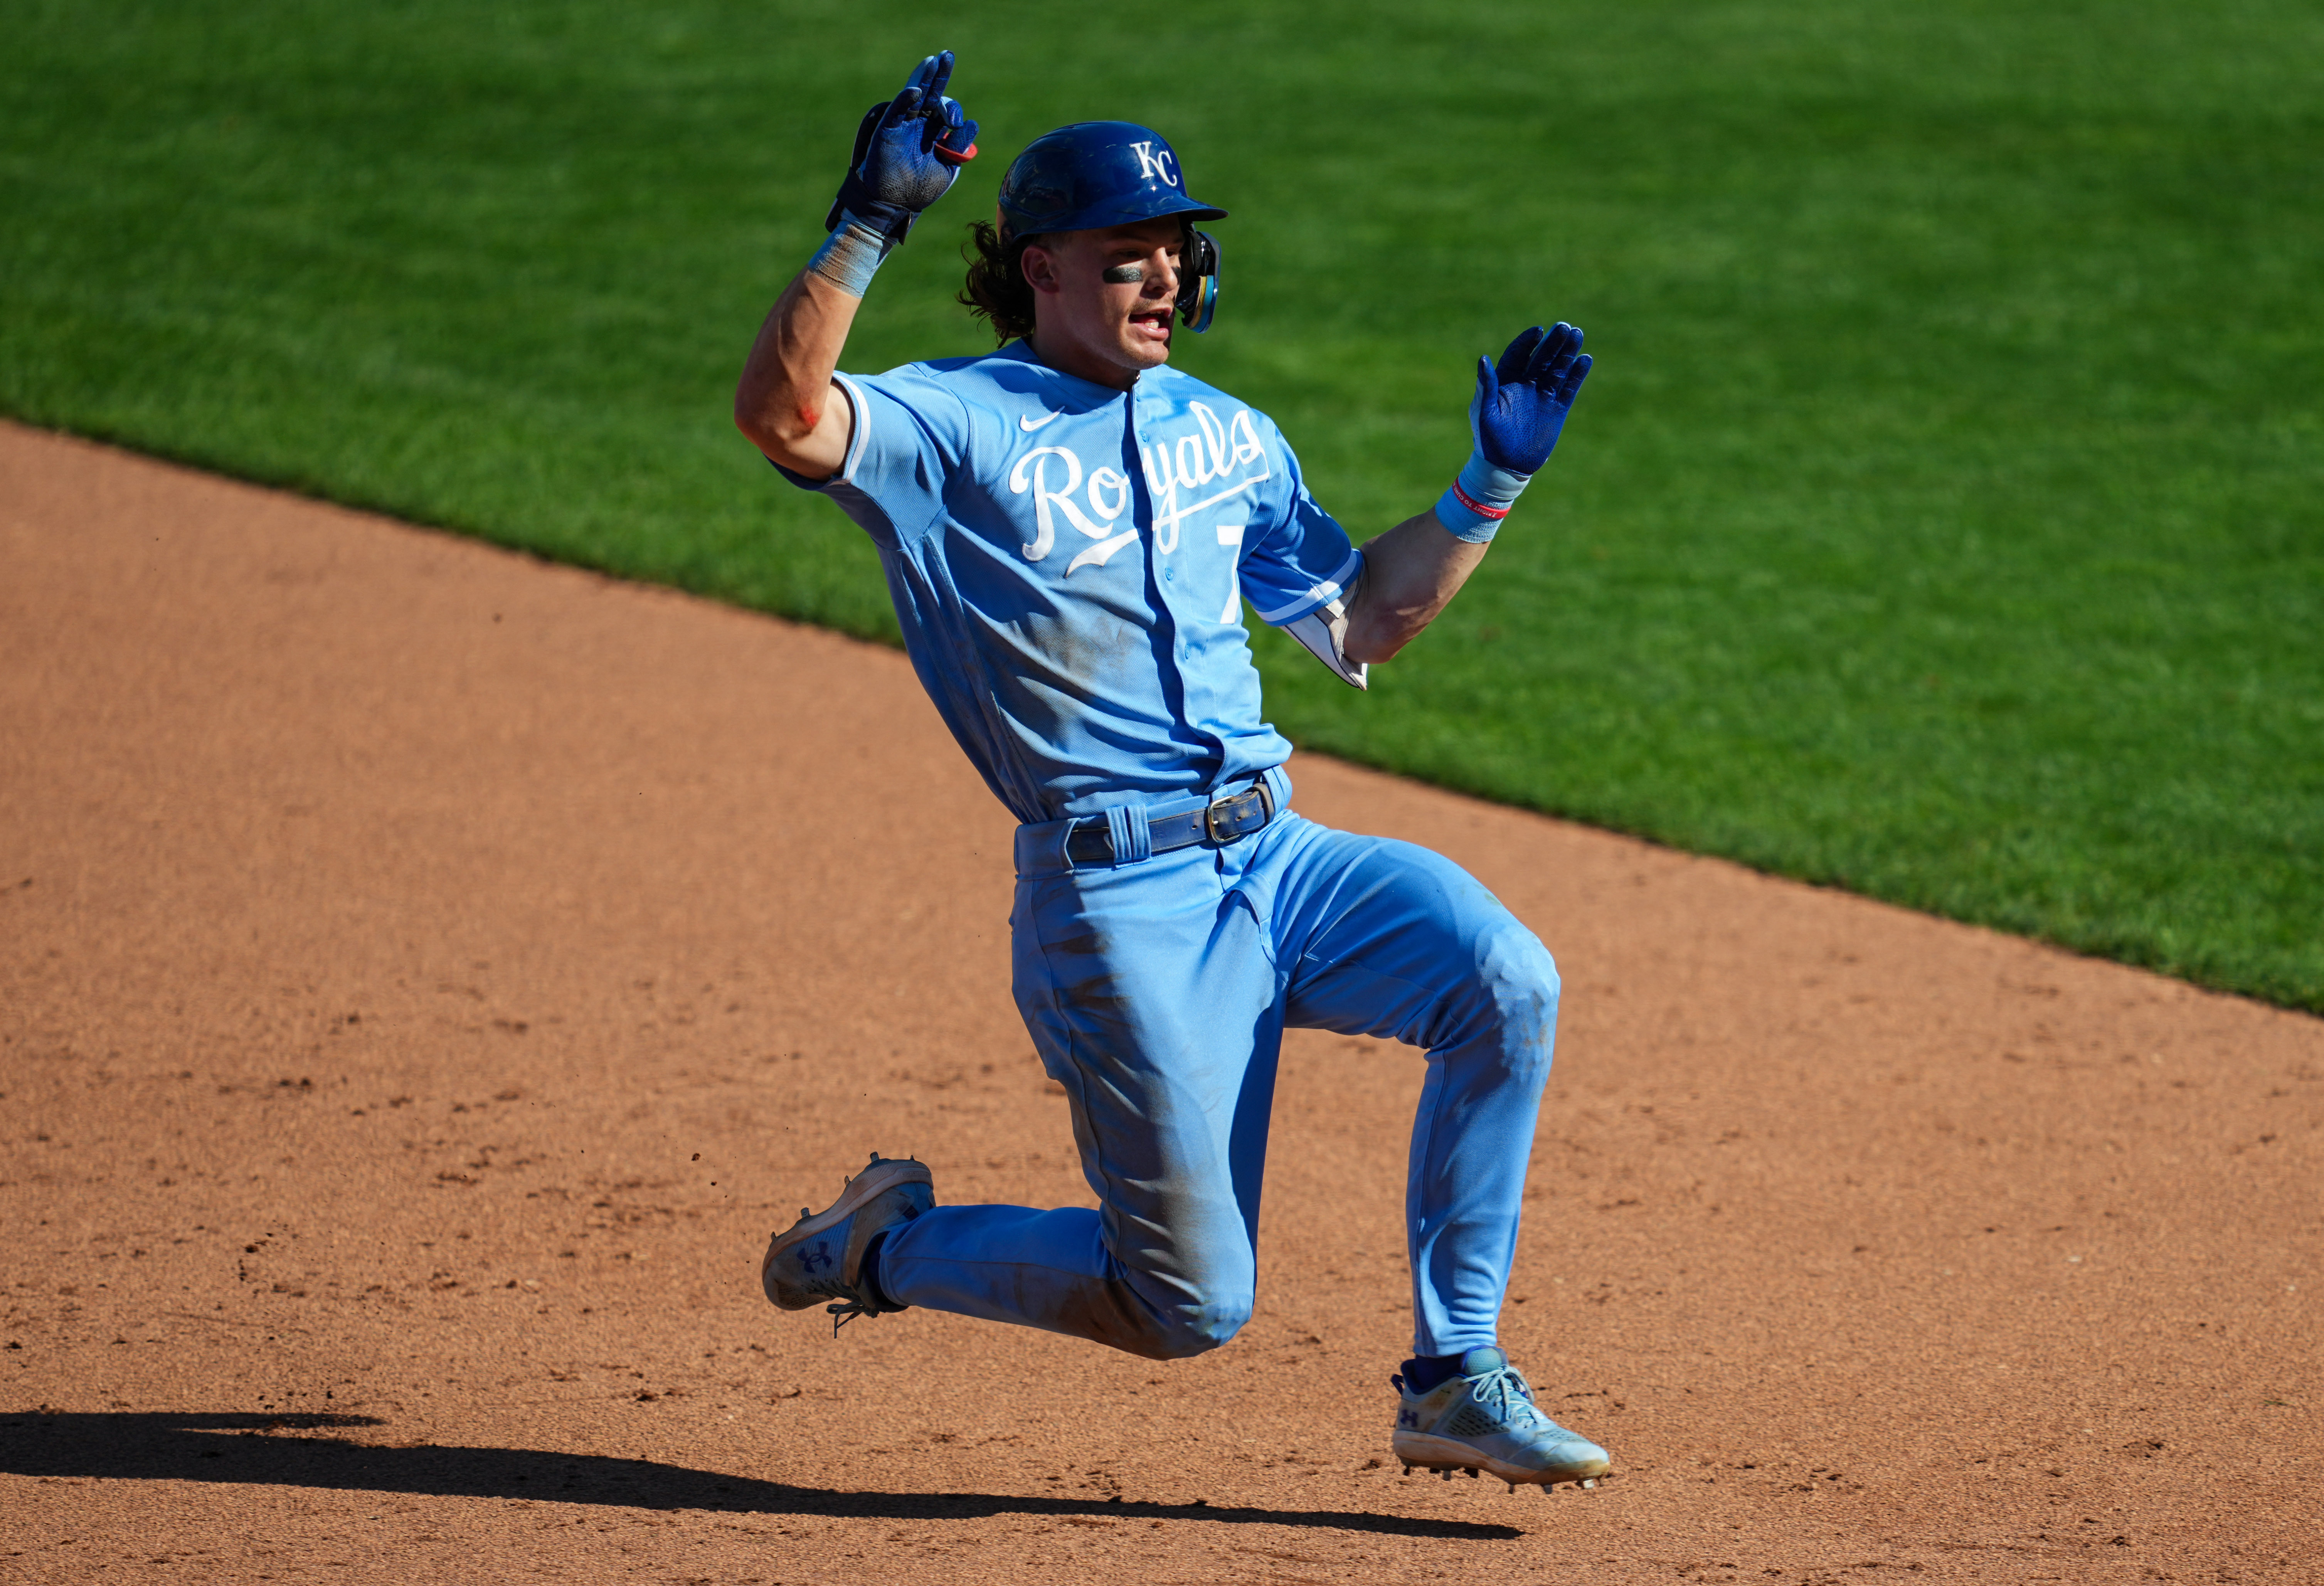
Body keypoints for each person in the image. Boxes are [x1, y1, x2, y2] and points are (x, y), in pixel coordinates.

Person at [733, 51, 1606, 1492]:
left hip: (1278, 859)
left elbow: (1369, 613)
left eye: (1176, 254)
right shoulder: (951, 427)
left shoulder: (1226, 432)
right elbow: (783, 415)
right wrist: (862, 227)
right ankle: (889, 1243)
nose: (1163, 279)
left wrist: (1488, 486)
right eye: (1126, 256)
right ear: (1040, 271)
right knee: (1189, 1305)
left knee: (1504, 977)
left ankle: (1456, 1373)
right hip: (1116, 909)